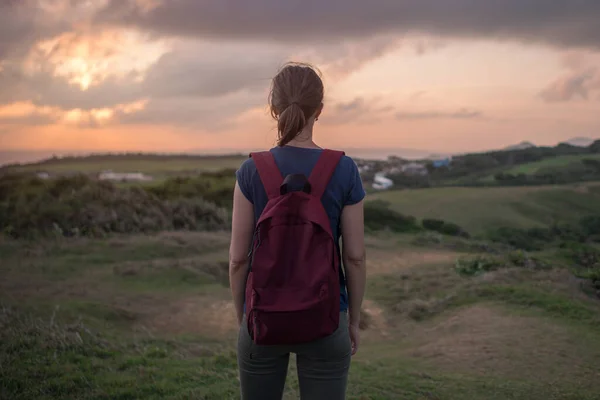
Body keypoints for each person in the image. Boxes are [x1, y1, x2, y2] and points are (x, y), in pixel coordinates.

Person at [229, 62, 366, 400]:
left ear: (273, 108)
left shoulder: (250, 170)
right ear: (319, 110)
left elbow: (236, 259)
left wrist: (242, 316)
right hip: (327, 316)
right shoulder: (344, 169)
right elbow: (355, 256)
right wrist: (353, 320)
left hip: (260, 319)